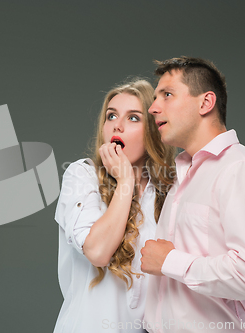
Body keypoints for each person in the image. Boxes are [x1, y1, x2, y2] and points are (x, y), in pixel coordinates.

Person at [140, 57, 245, 333]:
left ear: (206, 103)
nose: (153, 108)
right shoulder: (183, 175)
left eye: (167, 95)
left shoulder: (242, 170)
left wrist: (170, 262)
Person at [54, 79, 176, 333]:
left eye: (133, 118)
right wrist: (125, 181)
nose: (117, 125)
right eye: (111, 116)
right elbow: (98, 252)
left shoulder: (168, 190)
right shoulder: (81, 174)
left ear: (153, 130)